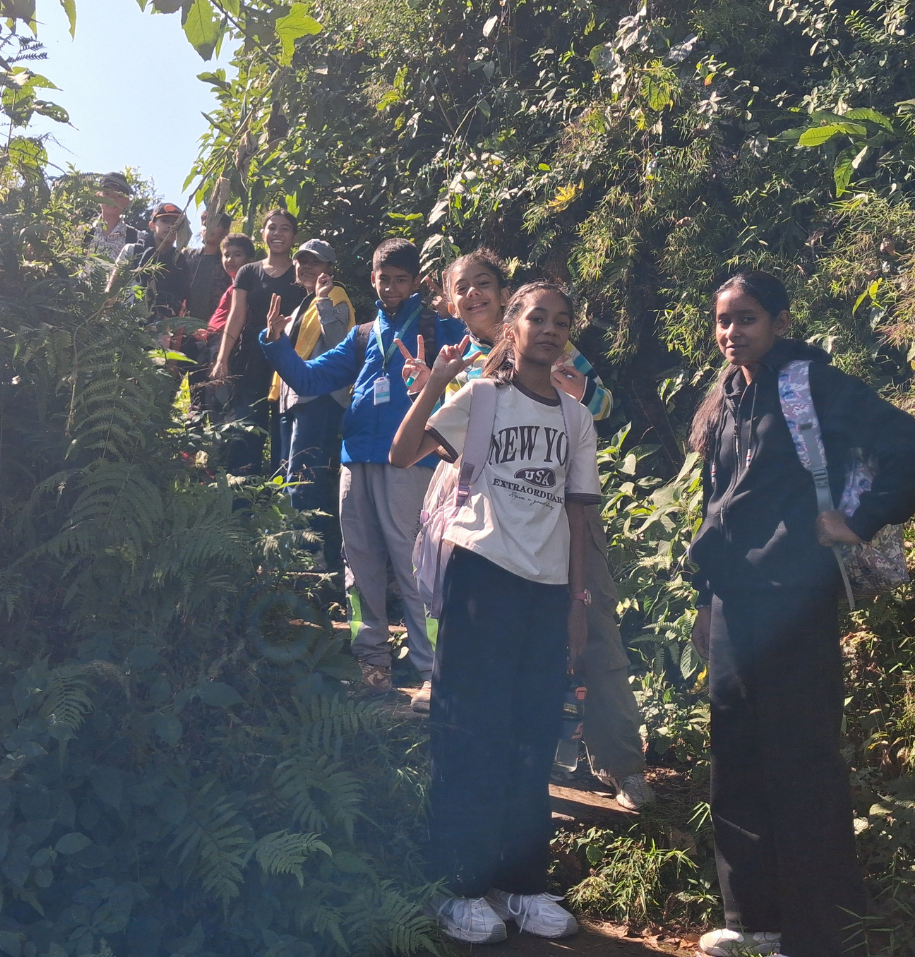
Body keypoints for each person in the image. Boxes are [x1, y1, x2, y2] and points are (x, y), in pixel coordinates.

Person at [687, 269, 915, 957]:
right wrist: (705, 601)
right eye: (724, 320)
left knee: (801, 762)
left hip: (796, 600)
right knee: (738, 757)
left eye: (747, 319)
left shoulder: (810, 386)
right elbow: (715, 506)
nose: (733, 333)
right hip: (734, 604)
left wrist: (861, 519)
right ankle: (753, 921)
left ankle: (819, 932)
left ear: (780, 320)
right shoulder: (726, 397)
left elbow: (904, 443)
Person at [390, 281, 600, 945]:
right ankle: (458, 888)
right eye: (537, 317)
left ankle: (522, 884)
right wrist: (435, 384)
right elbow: (403, 454)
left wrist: (577, 604)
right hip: (482, 580)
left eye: (561, 321)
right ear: (511, 326)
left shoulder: (577, 418)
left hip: (544, 595)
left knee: (532, 738)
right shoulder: (482, 399)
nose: (550, 329)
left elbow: (578, 515)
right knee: (469, 737)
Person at [401, 251, 653, 807]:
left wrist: (579, 393)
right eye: (461, 288)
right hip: (482, 520)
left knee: (591, 627)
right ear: (450, 301)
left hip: (560, 508)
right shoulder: (463, 360)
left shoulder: (553, 336)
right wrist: (428, 385)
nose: (473, 295)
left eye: (483, 284)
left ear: (504, 295)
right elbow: (440, 439)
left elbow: (602, 405)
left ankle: (618, 761)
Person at [260, 238, 465, 703]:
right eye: (382, 279)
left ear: (415, 282)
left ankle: (433, 666)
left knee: (415, 564)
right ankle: (370, 659)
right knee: (359, 562)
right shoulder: (362, 335)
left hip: (413, 461)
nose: (390, 288)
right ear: (371, 279)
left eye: (400, 280)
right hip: (356, 458)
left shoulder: (441, 329)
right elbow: (310, 378)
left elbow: (475, 368)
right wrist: (274, 343)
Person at [264, 239, 355, 553]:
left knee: (306, 477)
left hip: (320, 398)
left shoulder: (334, 295)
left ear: (329, 268)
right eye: (301, 260)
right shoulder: (301, 304)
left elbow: (342, 344)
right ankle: (292, 547)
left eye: (314, 262)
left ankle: (309, 551)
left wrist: (324, 302)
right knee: (290, 473)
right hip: (295, 399)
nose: (305, 267)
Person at [211, 209, 303, 474]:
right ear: (263, 233)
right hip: (251, 356)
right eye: (272, 227)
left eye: (285, 228)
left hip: (289, 355)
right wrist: (222, 359)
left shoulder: (301, 273)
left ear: (293, 236)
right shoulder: (249, 272)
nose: (277, 233)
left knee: (284, 423)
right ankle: (241, 493)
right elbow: (236, 316)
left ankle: (279, 491)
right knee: (248, 420)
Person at [110, 202, 192, 320]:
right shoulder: (132, 250)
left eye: (176, 223)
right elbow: (113, 286)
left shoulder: (180, 262)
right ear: (152, 225)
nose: (170, 226)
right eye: (165, 221)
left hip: (161, 328)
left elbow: (182, 300)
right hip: (125, 321)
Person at [184, 209, 233, 324]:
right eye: (205, 225)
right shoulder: (186, 256)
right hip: (183, 327)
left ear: (226, 232)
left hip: (215, 328)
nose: (208, 228)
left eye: (215, 225)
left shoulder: (228, 263)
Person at [87, 171, 140, 261]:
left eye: (119, 195)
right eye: (107, 193)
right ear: (98, 196)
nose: (112, 199)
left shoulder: (136, 238)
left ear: (127, 201)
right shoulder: (82, 232)